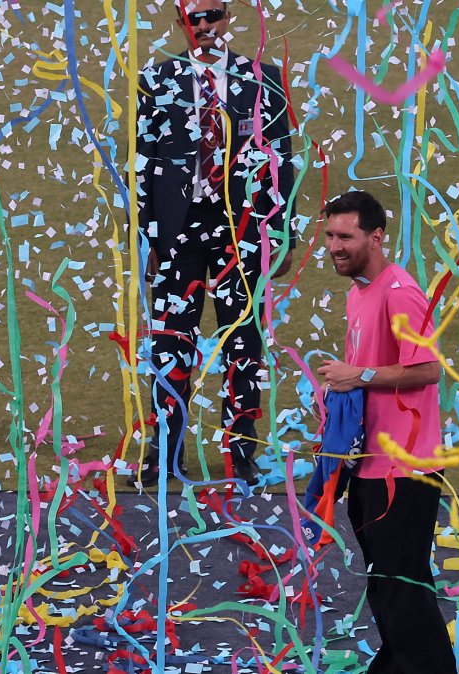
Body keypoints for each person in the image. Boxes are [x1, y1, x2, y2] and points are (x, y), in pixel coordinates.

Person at [129, 0, 295, 487]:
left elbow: (282, 159)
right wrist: (147, 235)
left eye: (213, 14)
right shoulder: (155, 80)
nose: (204, 26)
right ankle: (165, 451)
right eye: (193, 18)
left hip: (242, 228)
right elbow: (144, 157)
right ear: (181, 24)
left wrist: (279, 232)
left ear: (228, 18)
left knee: (243, 340)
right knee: (170, 341)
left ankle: (240, 449)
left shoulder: (264, 77)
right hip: (177, 230)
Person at [315, 191, 457, 674]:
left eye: (345, 236)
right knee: (388, 581)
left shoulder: (398, 290)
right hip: (371, 461)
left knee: (401, 583)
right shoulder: (359, 291)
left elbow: (429, 369)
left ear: (376, 237)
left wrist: (361, 375)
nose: (334, 245)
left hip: (405, 466)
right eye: (330, 235)